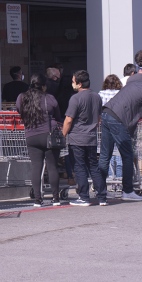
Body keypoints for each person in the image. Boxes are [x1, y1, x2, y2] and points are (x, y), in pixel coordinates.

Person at [98, 62, 142, 203]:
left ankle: (101, 191)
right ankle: (127, 191)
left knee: (105, 156)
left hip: (106, 113)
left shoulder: (135, 85)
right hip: (118, 119)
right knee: (128, 155)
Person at [16, 75, 61, 207]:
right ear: (43, 86)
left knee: (36, 167)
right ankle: (56, 198)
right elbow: (58, 116)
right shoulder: (49, 98)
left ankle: (38, 199)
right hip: (49, 134)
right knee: (52, 166)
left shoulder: (21, 97)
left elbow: (20, 111)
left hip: (31, 135)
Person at [63, 70, 104, 206]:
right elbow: (98, 118)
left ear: (79, 84)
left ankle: (84, 197)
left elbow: (69, 119)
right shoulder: (97, 97)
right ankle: (102, 197)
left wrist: (63, 135)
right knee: (93, 166)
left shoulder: (75, 98)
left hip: (77, 137)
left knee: (79, 167)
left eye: (74, 81)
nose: (72, 84)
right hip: (91, 137)